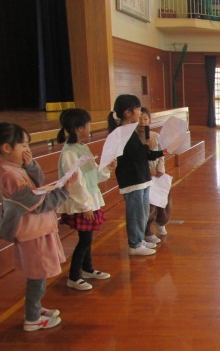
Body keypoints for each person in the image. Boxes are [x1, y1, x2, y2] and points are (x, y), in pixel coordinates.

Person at [0, 122, 78, 331]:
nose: (27, 149)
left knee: (39, 274)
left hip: (38, 229)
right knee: (37, 275)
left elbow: (38, 184)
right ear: (6, 148)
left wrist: (30, 165)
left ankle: (35, 308)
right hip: (31, 233)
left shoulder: (15, 168)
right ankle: (32, 318)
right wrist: (64, 190)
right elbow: (38, 203)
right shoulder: (8, 174)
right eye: (24, 145)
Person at [57, 109, 115, 291]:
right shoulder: (69, 152)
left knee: (87, 238)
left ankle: (87, 269)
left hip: (89, 198)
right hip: (82, 202)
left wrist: (107, 167)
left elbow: (93, 172)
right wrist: (85, 206)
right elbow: (76, 182)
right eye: (88, 125)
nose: (90, 128)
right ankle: (74, 276)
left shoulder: (82, 147)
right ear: (79, 128)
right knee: (85, 240)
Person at [108, 95, 165, 256]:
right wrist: (147, 146)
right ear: (128, 112)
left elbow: (143, 155)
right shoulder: (121, 133)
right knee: (135, 213)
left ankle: (140, 238)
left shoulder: (130, 131)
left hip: (141, 177)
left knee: (143, 212)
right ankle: (135, 244)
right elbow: (136, 155)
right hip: (132, 179)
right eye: (138, 109)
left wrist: (161, 152)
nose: (140, 113)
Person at [138, 107, 171, 243]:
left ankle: (161, 222)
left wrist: (160, 169)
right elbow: (139, 157)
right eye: (139, 119)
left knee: (164, 198)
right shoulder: (134, 139)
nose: (142, 122)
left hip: (157, 174)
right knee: (150, 204)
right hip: (144, 175)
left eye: (145, 119)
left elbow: (161, 154)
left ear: (149, 121)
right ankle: (147, 230)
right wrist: (148, 170)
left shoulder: (155, 136)